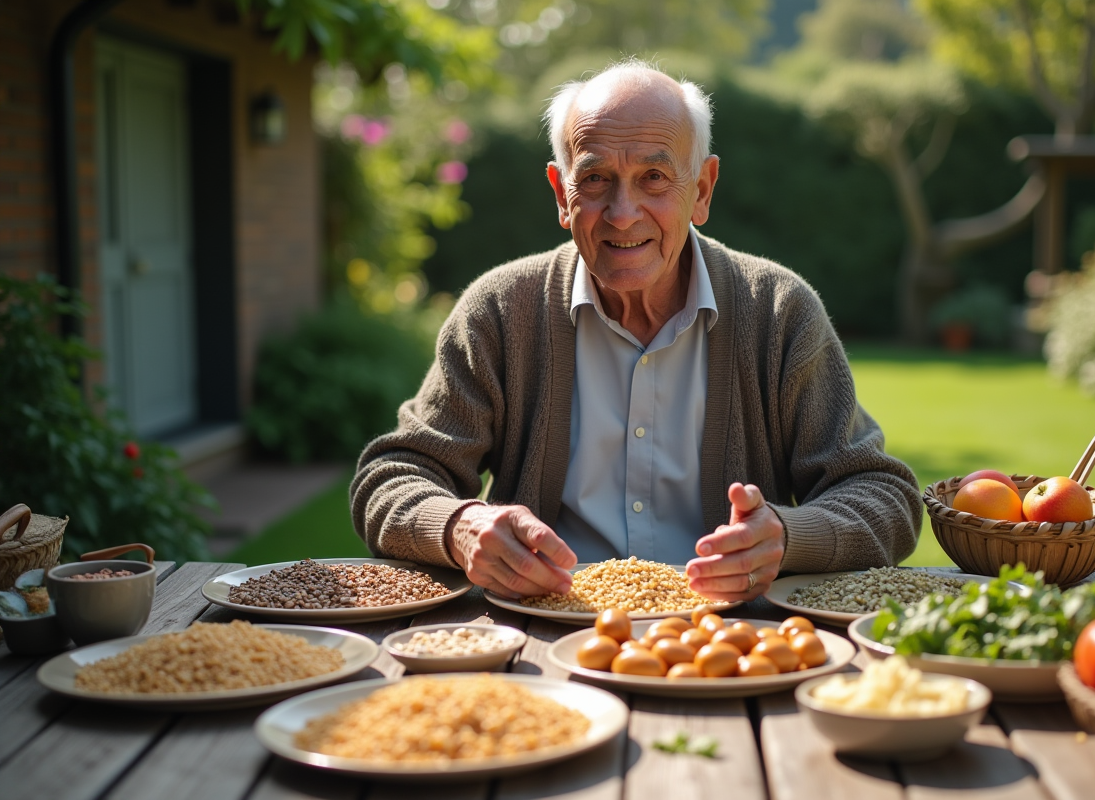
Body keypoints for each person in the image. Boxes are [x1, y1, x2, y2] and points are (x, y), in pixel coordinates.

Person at [351, 59, 922, 603]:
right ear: (560, 194)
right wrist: (461, 525)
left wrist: (788, 536)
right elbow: (390, 479)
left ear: (701, 190)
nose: (623, 213)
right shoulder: (501, 312)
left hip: (725, 649)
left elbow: (884, 497)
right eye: (595, 179)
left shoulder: (777, 312)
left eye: (654, 177)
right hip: (540, 645)